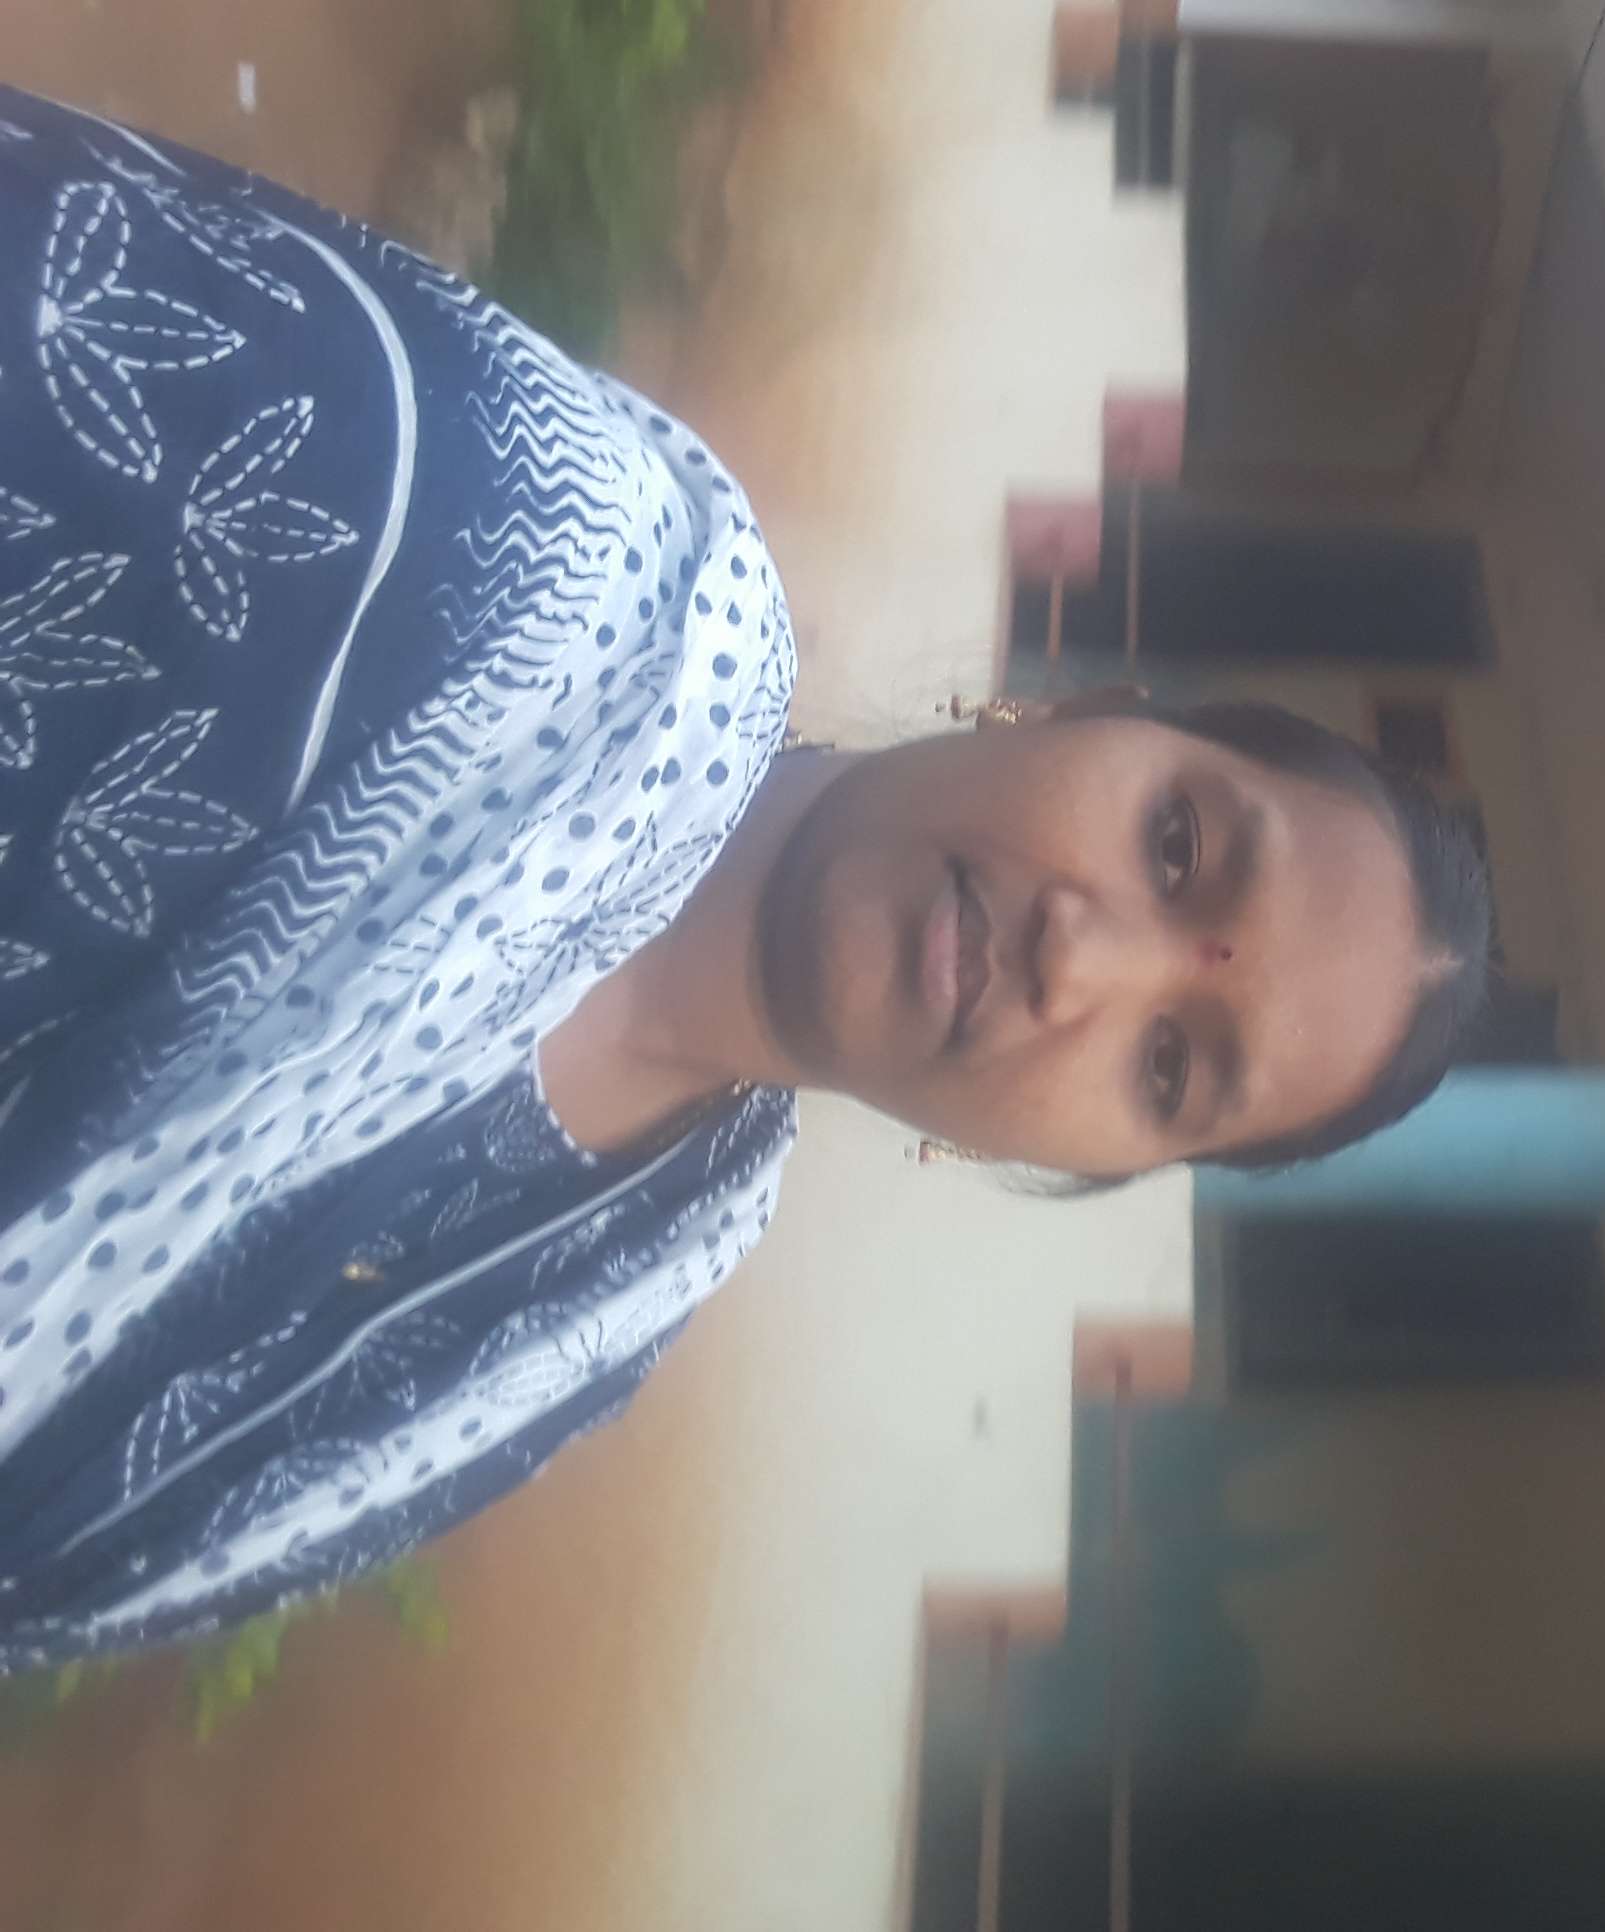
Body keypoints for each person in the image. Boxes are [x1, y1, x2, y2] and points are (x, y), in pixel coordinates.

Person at [0, 88, 1491, 1671]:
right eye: (1177, 846)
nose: (1082, 965)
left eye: (1171, 1068)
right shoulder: (524, 547)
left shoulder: (571, 1325)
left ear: (1079, 1162)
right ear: (1081, 713)